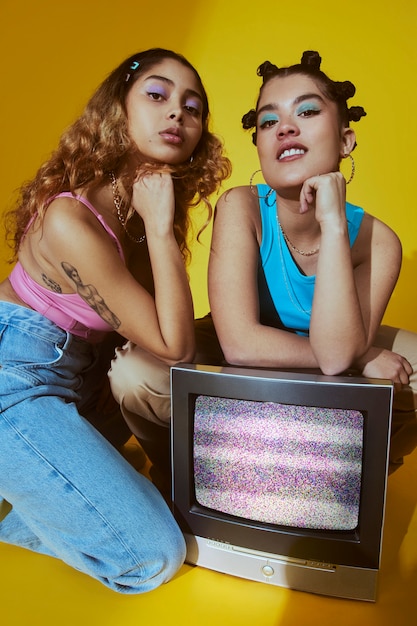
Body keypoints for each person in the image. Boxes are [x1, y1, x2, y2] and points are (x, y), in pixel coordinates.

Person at [0, 48, 231, 593]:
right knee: (155, 552)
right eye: (157, 95)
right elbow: (173, 348)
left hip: (75, 380)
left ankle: (36, 489)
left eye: (192, 107)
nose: (177, 113)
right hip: (13, 379)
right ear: (117, 112)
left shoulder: (142, 202)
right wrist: (159, 223)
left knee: (179, 509)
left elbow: (161, 339)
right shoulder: (71, 219)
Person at [207, 50, 417, 473]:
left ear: (345, 141)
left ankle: (356, 482)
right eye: (269, 122)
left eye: (306, 111)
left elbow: (336, 356)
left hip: (328, 359)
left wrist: (333, 223)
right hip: (252, 353)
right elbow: (240, 343)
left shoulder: (379, 242)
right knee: (138, 373)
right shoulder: (239, 207)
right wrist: (364, 355)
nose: (285, 128)